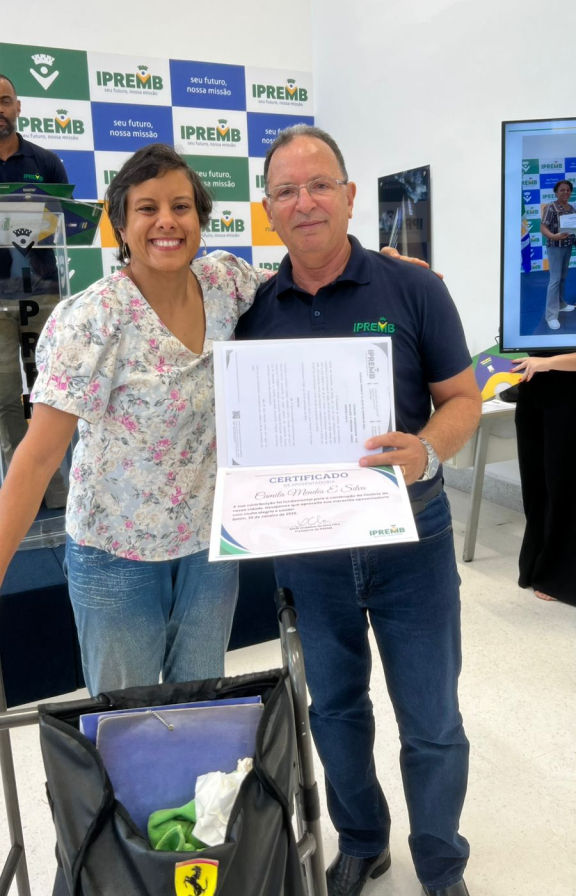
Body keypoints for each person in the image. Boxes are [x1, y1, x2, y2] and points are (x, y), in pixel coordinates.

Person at [235, 125, 481, 896]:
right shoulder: (251, 309)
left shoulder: (414, 288)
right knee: (336, 711)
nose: (304, 202)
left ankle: (440, 862)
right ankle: (363, 841)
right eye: (286, 191)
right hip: (309, 547)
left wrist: (426, 450)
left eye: (319, 185)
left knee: (432, 719)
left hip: (412, 539)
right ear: (268, 210)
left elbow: (463, 397)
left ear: (348, 196)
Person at [0, 143, 267, 695]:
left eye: (181, 206)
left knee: (202, 707)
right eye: (147, 208)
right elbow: (38, 458)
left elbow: (303, 282)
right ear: (120, 224)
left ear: (200, 219)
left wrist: (385, 269)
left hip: (209, 549)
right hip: (115, 554)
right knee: (128, 720)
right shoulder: (92, 318)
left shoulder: (226, 284)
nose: (166, 221)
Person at [0, 72, 69, 506]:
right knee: (6, 395)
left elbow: (66, 219)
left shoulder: (46, 162)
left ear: (18, 107)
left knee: (50, 392)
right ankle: (19, 489)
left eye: (4, 101)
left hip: (42, 292)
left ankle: (58, 485)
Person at [512, 351, 576, 604]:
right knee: (536, 485)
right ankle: (537, 564)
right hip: (533, 389)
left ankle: (560, 576)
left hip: (569, 395)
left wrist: (548, 363)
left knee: (564, 486)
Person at [541, 179, 576, 330]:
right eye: (562, 190)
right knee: (555, 280)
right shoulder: (551, 207)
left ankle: (561, 304)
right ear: (556, 192)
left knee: (562, 278)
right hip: (555, 247)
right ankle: (551, 316)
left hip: (568, 246)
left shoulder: (571, 208)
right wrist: (553, 236)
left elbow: (572, 228)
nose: (565, 192)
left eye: (568, 190)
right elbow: (543, 227)